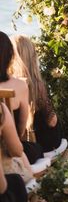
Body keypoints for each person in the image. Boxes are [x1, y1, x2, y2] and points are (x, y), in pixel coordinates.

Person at [9, 35, 62, 154]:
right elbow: (51, 121)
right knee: (54, 121)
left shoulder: (6, 83)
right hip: (41, 142)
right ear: (32, 57)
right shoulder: (37, 85)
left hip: (12, 139)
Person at [0, 32, 43, 164]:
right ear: (10, 56)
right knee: (36, 149)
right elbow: (21, 128)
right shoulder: (20, 85)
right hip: (10, 150)